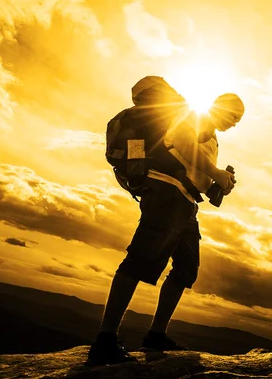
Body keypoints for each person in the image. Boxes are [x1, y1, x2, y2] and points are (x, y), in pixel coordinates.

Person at [88, 76, 245, 364]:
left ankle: (155, 336)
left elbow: (187, 163)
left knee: (186, 270)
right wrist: (216, 171)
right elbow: (182, 141)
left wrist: (215, 183)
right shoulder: (198, 118)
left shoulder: (208, 132)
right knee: (139, 260)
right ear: (218, 106)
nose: (235, 122)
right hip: (166, 193)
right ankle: (105, 340)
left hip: (184, 201)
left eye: (239, 119)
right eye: (234, 114)